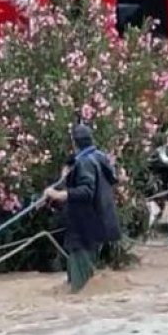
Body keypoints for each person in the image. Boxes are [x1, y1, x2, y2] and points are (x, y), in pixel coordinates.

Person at [44, 124, 122, 293]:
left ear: (74, 142)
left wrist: (57, 194)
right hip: (98, 224)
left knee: (79, 288)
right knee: (86, 281)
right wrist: (67, 173)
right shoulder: (99, 157)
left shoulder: (85, 162)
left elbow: (86, 191)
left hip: (84, 228)